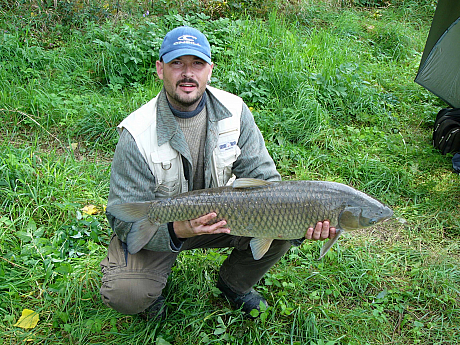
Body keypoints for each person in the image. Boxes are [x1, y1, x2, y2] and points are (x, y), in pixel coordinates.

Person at [100, 26, 336, 319]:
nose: (188, 73)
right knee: (126, 293)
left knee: (281, 220)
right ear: (160, 69)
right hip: (165, 225)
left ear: (209, 70)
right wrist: (177, 229)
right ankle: (147, 297)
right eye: (177, 63)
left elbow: (266, 180)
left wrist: (302, 222)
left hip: (224, 219)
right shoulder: (137, 133)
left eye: (197, 64)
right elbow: (122, 218)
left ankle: (233, 284)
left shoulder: (235, 111)